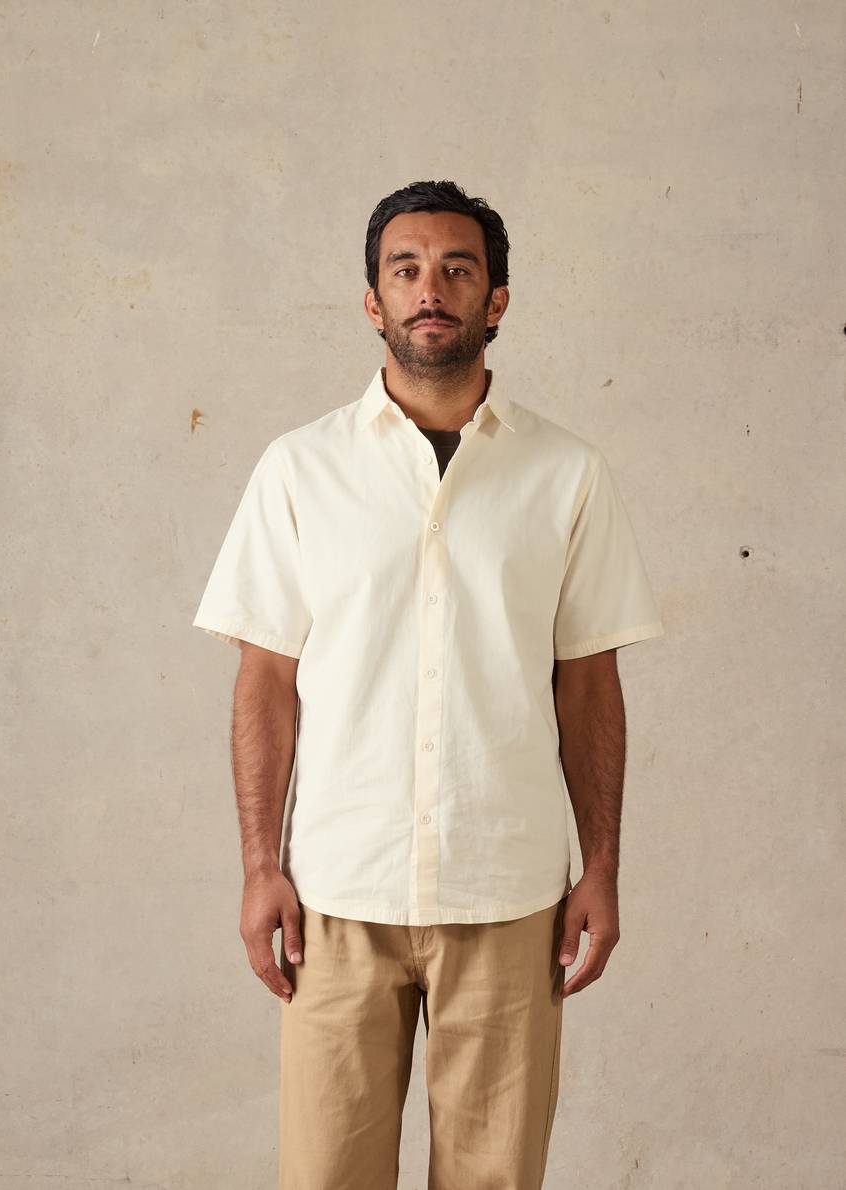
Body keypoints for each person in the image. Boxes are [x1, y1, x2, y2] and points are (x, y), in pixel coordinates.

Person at [192, 179, 665, 1189]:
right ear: (373, 300)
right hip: (336, 891)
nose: (430, 289)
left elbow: (589, 683)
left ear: (498, 299)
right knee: (325, 1175)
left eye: (457, 268)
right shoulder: (299, 469)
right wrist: (258, 865)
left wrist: (602, 866)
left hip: (508, 892)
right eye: (405, 269)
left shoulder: (568, 474)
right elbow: (265, 679)